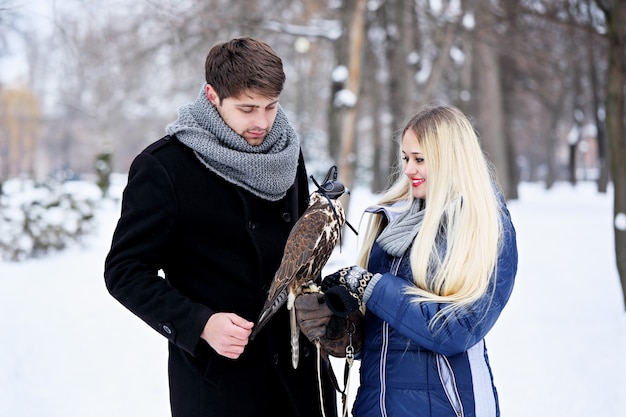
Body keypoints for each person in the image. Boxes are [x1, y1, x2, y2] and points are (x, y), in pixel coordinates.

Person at [104, 37, 337, 417]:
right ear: (212, 96)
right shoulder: (165, 168)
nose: (261, 122)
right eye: (247, 109)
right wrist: (200, 323)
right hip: (220, 383)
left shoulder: (287, 152)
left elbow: (296, 253)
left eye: (271, 107)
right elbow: (125, 271)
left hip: (299, 375)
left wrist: (320, 301)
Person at [296, 104, 518, 416]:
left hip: (447, 406)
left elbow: (459, 328)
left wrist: (372, 287)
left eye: (420, 159)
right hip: (378, 405)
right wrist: (339, 327)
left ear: (450, 159)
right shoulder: (394, 221)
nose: (409, 169)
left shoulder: (483, 225)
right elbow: (386, 333)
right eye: (405, 158)